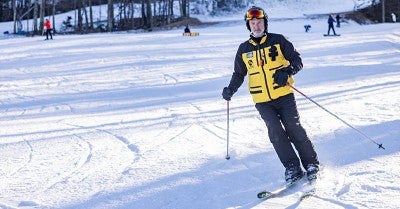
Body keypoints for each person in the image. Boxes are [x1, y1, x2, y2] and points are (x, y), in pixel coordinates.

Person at [222, 6, 319, 184]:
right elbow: (239, 74)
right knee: (276, 133)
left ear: (265, 23)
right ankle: (292, 167)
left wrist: (287, 71)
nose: (257, 26)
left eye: (259, 22)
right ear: (248, 26)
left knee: (293, 127)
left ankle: (311, 164)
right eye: (253, 23)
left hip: (284, 95)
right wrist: (230, 89)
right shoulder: (243, 49)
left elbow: (297, 61)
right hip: (261, 100)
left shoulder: (279, 40)